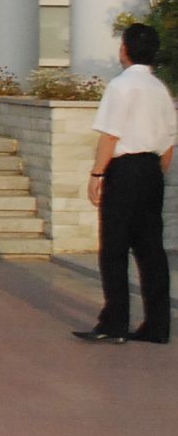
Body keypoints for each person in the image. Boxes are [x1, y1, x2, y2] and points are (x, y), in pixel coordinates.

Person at [73, 23, 176, 344]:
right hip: (152, 169)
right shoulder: (160, 89)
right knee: (151, 249)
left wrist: (97, 174)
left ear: (125, 49)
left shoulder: (121, 86)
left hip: (125, 169)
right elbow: (169, 143)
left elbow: (111, 135)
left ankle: (115, 323)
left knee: (115, 247)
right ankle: (157, 325)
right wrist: (156, 173)